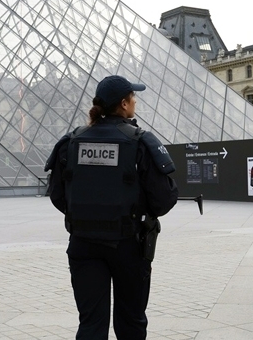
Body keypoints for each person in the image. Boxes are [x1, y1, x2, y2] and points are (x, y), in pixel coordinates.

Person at [45, 75, 178, 339]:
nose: (136, 102)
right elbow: (163, 200)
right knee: (131, 323)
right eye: (134, 97)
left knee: (91, 324)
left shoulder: (72, 142)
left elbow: (58, 195)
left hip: (82, 244)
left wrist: (88, 214)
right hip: (128, 244)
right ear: (124, 104)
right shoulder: (139, 142)